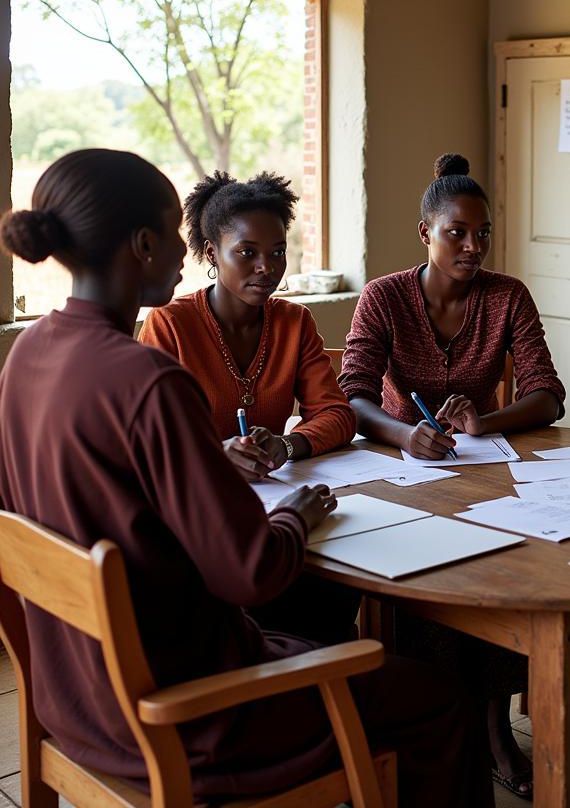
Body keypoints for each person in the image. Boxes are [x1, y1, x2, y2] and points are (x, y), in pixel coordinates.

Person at [0, 149, 494, 807]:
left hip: (80, 699)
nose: (185, 248)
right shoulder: (149, 382)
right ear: (144, 245)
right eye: (176, 231)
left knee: (320, 631)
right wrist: (295, 514)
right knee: (437, 699)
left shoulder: (28, 354)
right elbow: (251, 573)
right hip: (190, 713)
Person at [341, 152, 566, 798]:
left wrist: (485, 424)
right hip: (398, 474)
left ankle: (492, 722)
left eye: (482, 234)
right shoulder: (385, 297)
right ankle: (445, 721)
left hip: (481, 473)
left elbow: (549, 394)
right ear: (425, 234)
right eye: (456, 233)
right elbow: (350, 394)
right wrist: (402, 432)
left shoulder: (507, 297)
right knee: (426, 581)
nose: (473, 247)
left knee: (505, 570)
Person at [139, 171, 354, 479]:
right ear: (212, 253)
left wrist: (287, 445)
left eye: (278, 252)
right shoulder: (170, 324)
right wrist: (218, 454)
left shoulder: (294, 322)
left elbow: (337, 415)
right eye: (247, 252)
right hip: (196, 493)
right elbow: (151, 435)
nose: (267, 267)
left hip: (274, 493)